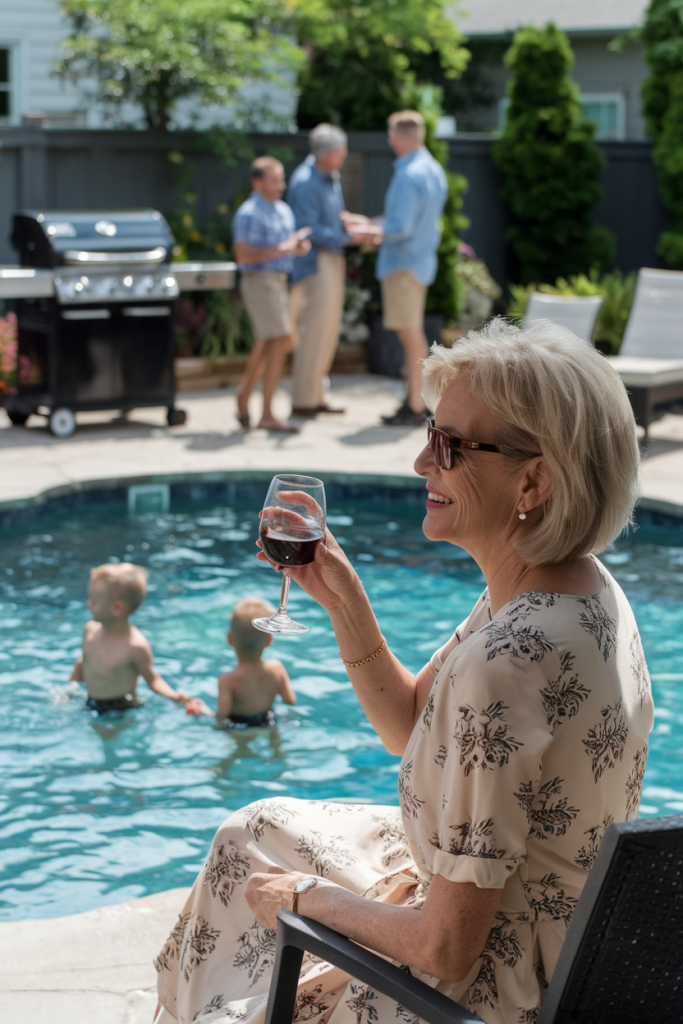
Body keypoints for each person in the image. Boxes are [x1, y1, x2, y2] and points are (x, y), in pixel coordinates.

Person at [154, 320, 653, 1024]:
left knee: (256, 893)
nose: (422, 461)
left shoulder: (506, 663)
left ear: (532, 481)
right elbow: (407, 725)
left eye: (449, 446)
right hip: (553, 922)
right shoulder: (576, 587)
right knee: (252, 829)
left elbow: (447, 948)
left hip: (488, 984)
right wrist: (345, 602)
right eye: (429, 431)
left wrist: (303, 898)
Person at [347, 110, 448, 426]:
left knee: (410, 334)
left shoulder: (408, 174)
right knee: (412, 331)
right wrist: (371, 223)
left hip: (403, 263)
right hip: (419, 262)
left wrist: (367, 231)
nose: (389, 140)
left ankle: (417, 405)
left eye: (390, 134)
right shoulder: (433, 169)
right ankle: (418, 401)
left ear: (399, 136)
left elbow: (400, 226)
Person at [287, 124, 373, 418]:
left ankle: (318, 395)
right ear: (327, 153)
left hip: (333, 259)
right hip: (316, 262)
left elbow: (330, 221)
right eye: (340, 151)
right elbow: (308, 229)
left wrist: (346, 224)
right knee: (314, 331)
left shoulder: (330, 177)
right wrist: (346, 237)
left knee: (329, 331)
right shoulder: (305, 181)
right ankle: (303, 399)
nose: (344, 156)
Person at [232, 156, 311, 433]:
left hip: (280, 282)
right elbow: (243, 256)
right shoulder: (248, 213)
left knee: (272, 342)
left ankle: (245, 395)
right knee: (279, 340)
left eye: (281, 179)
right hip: (259, 281)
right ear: (258, 182)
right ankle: (265, 412)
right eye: (275, 179)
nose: (281, 185)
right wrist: (283, 248)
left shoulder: (284, 211)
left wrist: (297, 247)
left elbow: (286, 247)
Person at [70, 564, 191, 715]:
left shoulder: (135, 646)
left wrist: (174, 696)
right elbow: (84, 662)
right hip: (90, 702)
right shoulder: (89, 631)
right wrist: (70, 690)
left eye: (95, 600)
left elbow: (153, 679)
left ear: (117, 608)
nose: (89, 604)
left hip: (121, 709)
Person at [189, 597, 296, 728]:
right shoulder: (277, 668)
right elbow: (290, 700)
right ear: (269, 641)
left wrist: (203, 711)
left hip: (239, 726)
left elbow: (221, 716)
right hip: (267, 721)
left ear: (229, 639)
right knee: (276, 743)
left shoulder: (227, 680)